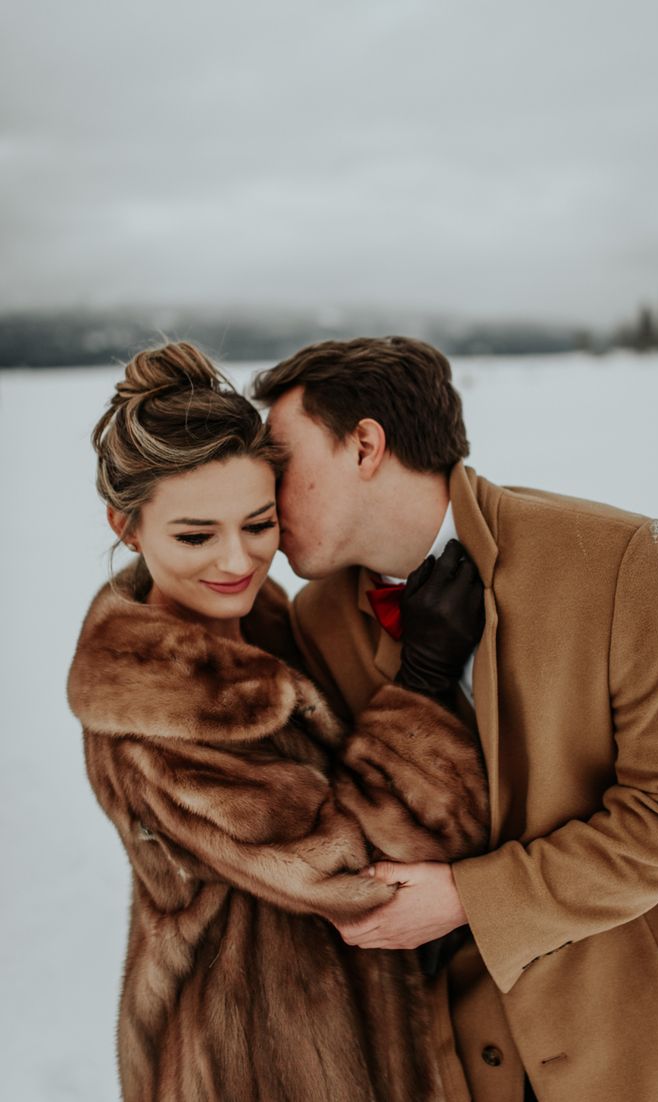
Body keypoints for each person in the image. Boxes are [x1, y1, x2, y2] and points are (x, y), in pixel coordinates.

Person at [252, 335, 658, 1102]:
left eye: (279, 462)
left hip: (645, 1050)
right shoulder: (316, 621)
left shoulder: (619, 560)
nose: (265, 498)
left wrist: (475, 899)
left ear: (366, 445)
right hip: (453, 1069)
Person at [67, 341, 491, 1102]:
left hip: (346, 1032)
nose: (237, 561)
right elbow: (356, 869)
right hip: (255, 1058)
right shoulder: (154, 713)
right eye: (195, 536)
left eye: (259, 524)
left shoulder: (258, 624)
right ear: (126, 527)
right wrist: (422, 686)